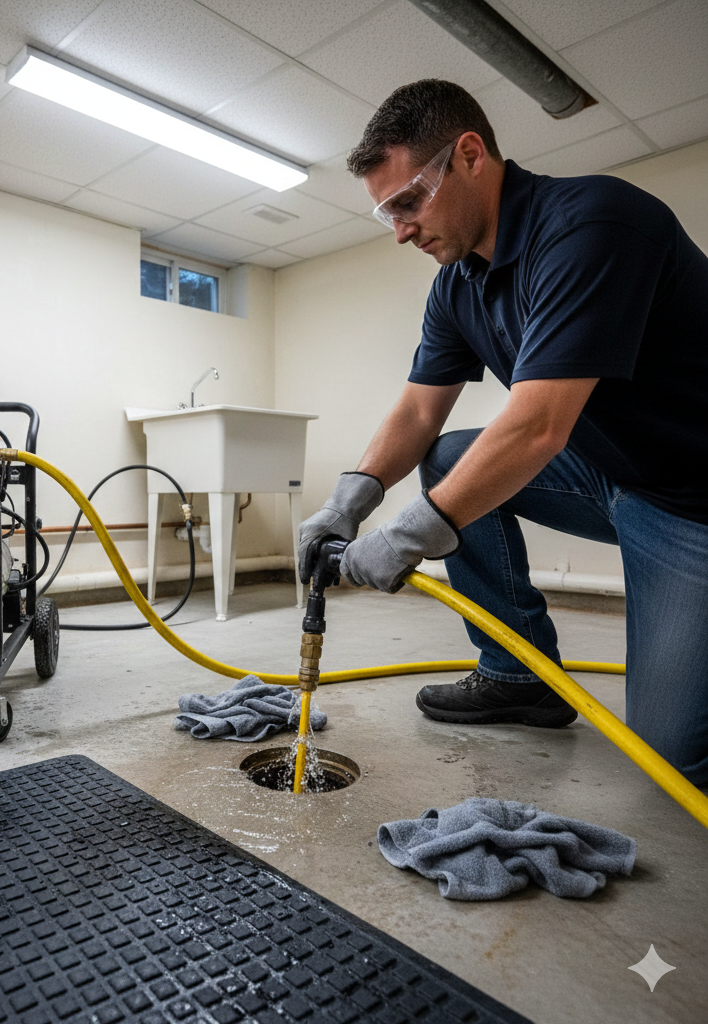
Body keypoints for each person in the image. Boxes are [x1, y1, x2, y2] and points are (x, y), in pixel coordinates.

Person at [298, 79, 708, 785]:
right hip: (612, 475)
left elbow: (539, 425)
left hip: (693, 499)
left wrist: (403, 539)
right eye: (385, 213)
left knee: (671, 754)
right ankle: (519, 676)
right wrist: (351, 499)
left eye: (408, 201)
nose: (399, 230)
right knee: (448, 455)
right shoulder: (457, 284)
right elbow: (419, 411)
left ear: (469, 155)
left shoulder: (594, 225)